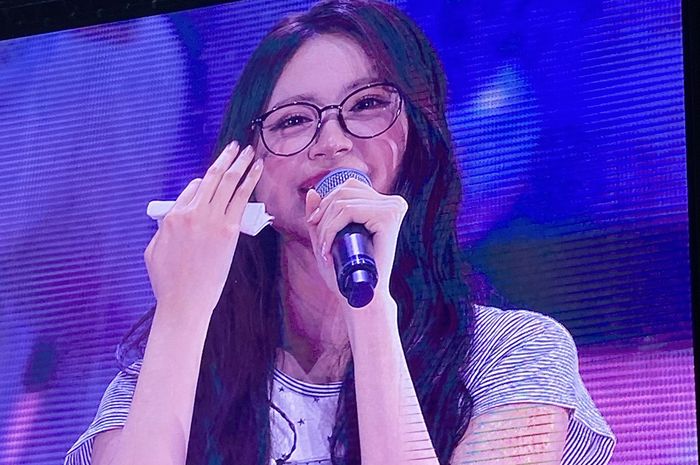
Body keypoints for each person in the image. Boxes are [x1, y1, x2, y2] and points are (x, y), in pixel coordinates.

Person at [65, 0, 616, 464]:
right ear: (244, 169)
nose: (331, 142)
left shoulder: (513, 354)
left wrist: (369, 310)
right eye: (293, 120)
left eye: (368, 104)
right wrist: (182, 313)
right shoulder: (169, 369)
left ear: (420, 139)